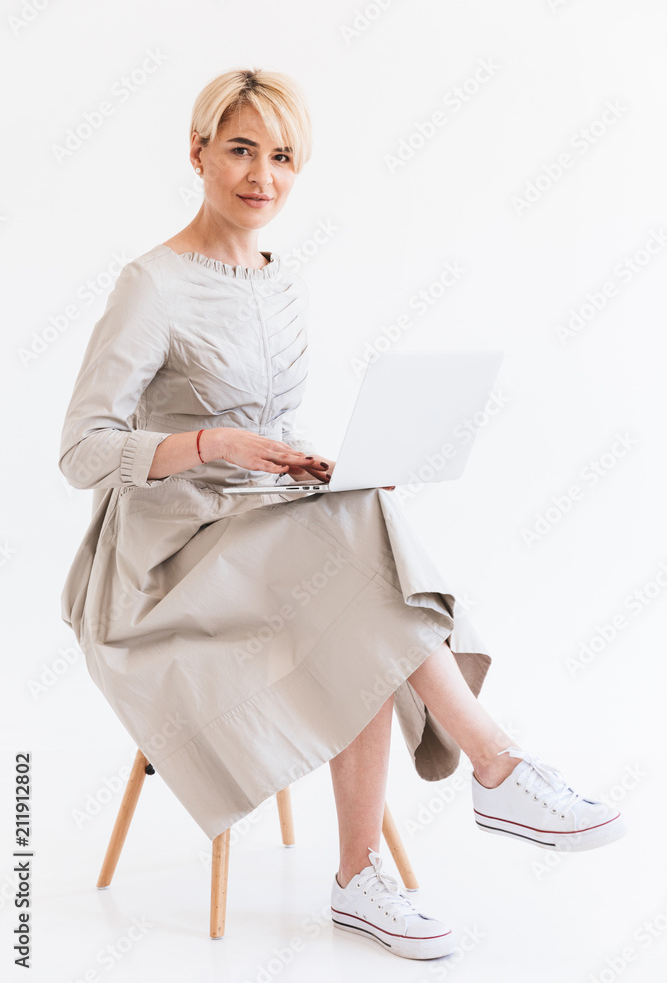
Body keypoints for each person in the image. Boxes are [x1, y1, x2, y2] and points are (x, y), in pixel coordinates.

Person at [58, 67, 627, 962]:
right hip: (160, 560)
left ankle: (364, 877)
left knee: (356, 534)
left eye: (283, 157)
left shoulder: (281, 279)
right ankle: (493, 769)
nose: (262, 176)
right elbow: (82, 451)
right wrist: (211, 446)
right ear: (198, 151)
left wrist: (314, 465)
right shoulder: (151, 285)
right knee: (356, 559)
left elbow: (268, 432)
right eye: (241, 149)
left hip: (262, 526)